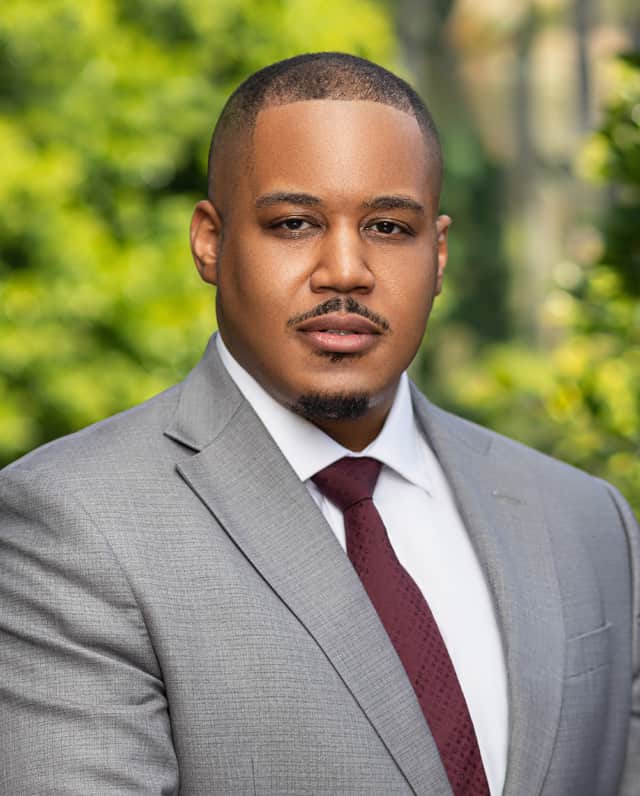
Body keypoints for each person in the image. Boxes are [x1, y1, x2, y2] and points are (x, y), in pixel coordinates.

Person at [0, 52, 638, 796]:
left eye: (389, 227)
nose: (345, 269)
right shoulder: (70, 524)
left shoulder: (588, 521)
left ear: (438, 253)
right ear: (210, 241)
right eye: (295, 223)